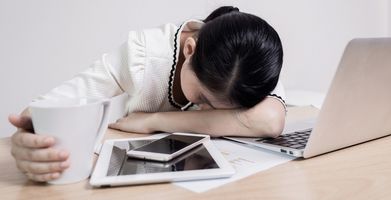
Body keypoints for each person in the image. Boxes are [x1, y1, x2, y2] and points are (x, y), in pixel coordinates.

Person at [8, 6, 286, 182]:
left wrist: (154, 120)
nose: (206, 111)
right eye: (202, 98)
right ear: (189, 50)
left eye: (228, 110)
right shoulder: (144, 55)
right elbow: (42, 111)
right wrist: (30, 141)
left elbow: (270, 121)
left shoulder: (249, 64)